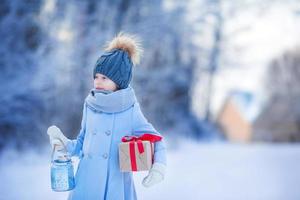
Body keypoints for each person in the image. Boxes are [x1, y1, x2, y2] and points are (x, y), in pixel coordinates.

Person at [47, 32, 167, 200]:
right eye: (96, 76)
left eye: (104, 77)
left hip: (114, 185)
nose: (97, 81)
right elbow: (82, 144)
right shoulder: (90, 104)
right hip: (85, 183)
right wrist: (63, 143)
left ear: (119, 81)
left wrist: (158, 168)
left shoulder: (130, 109)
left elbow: (157, 139)